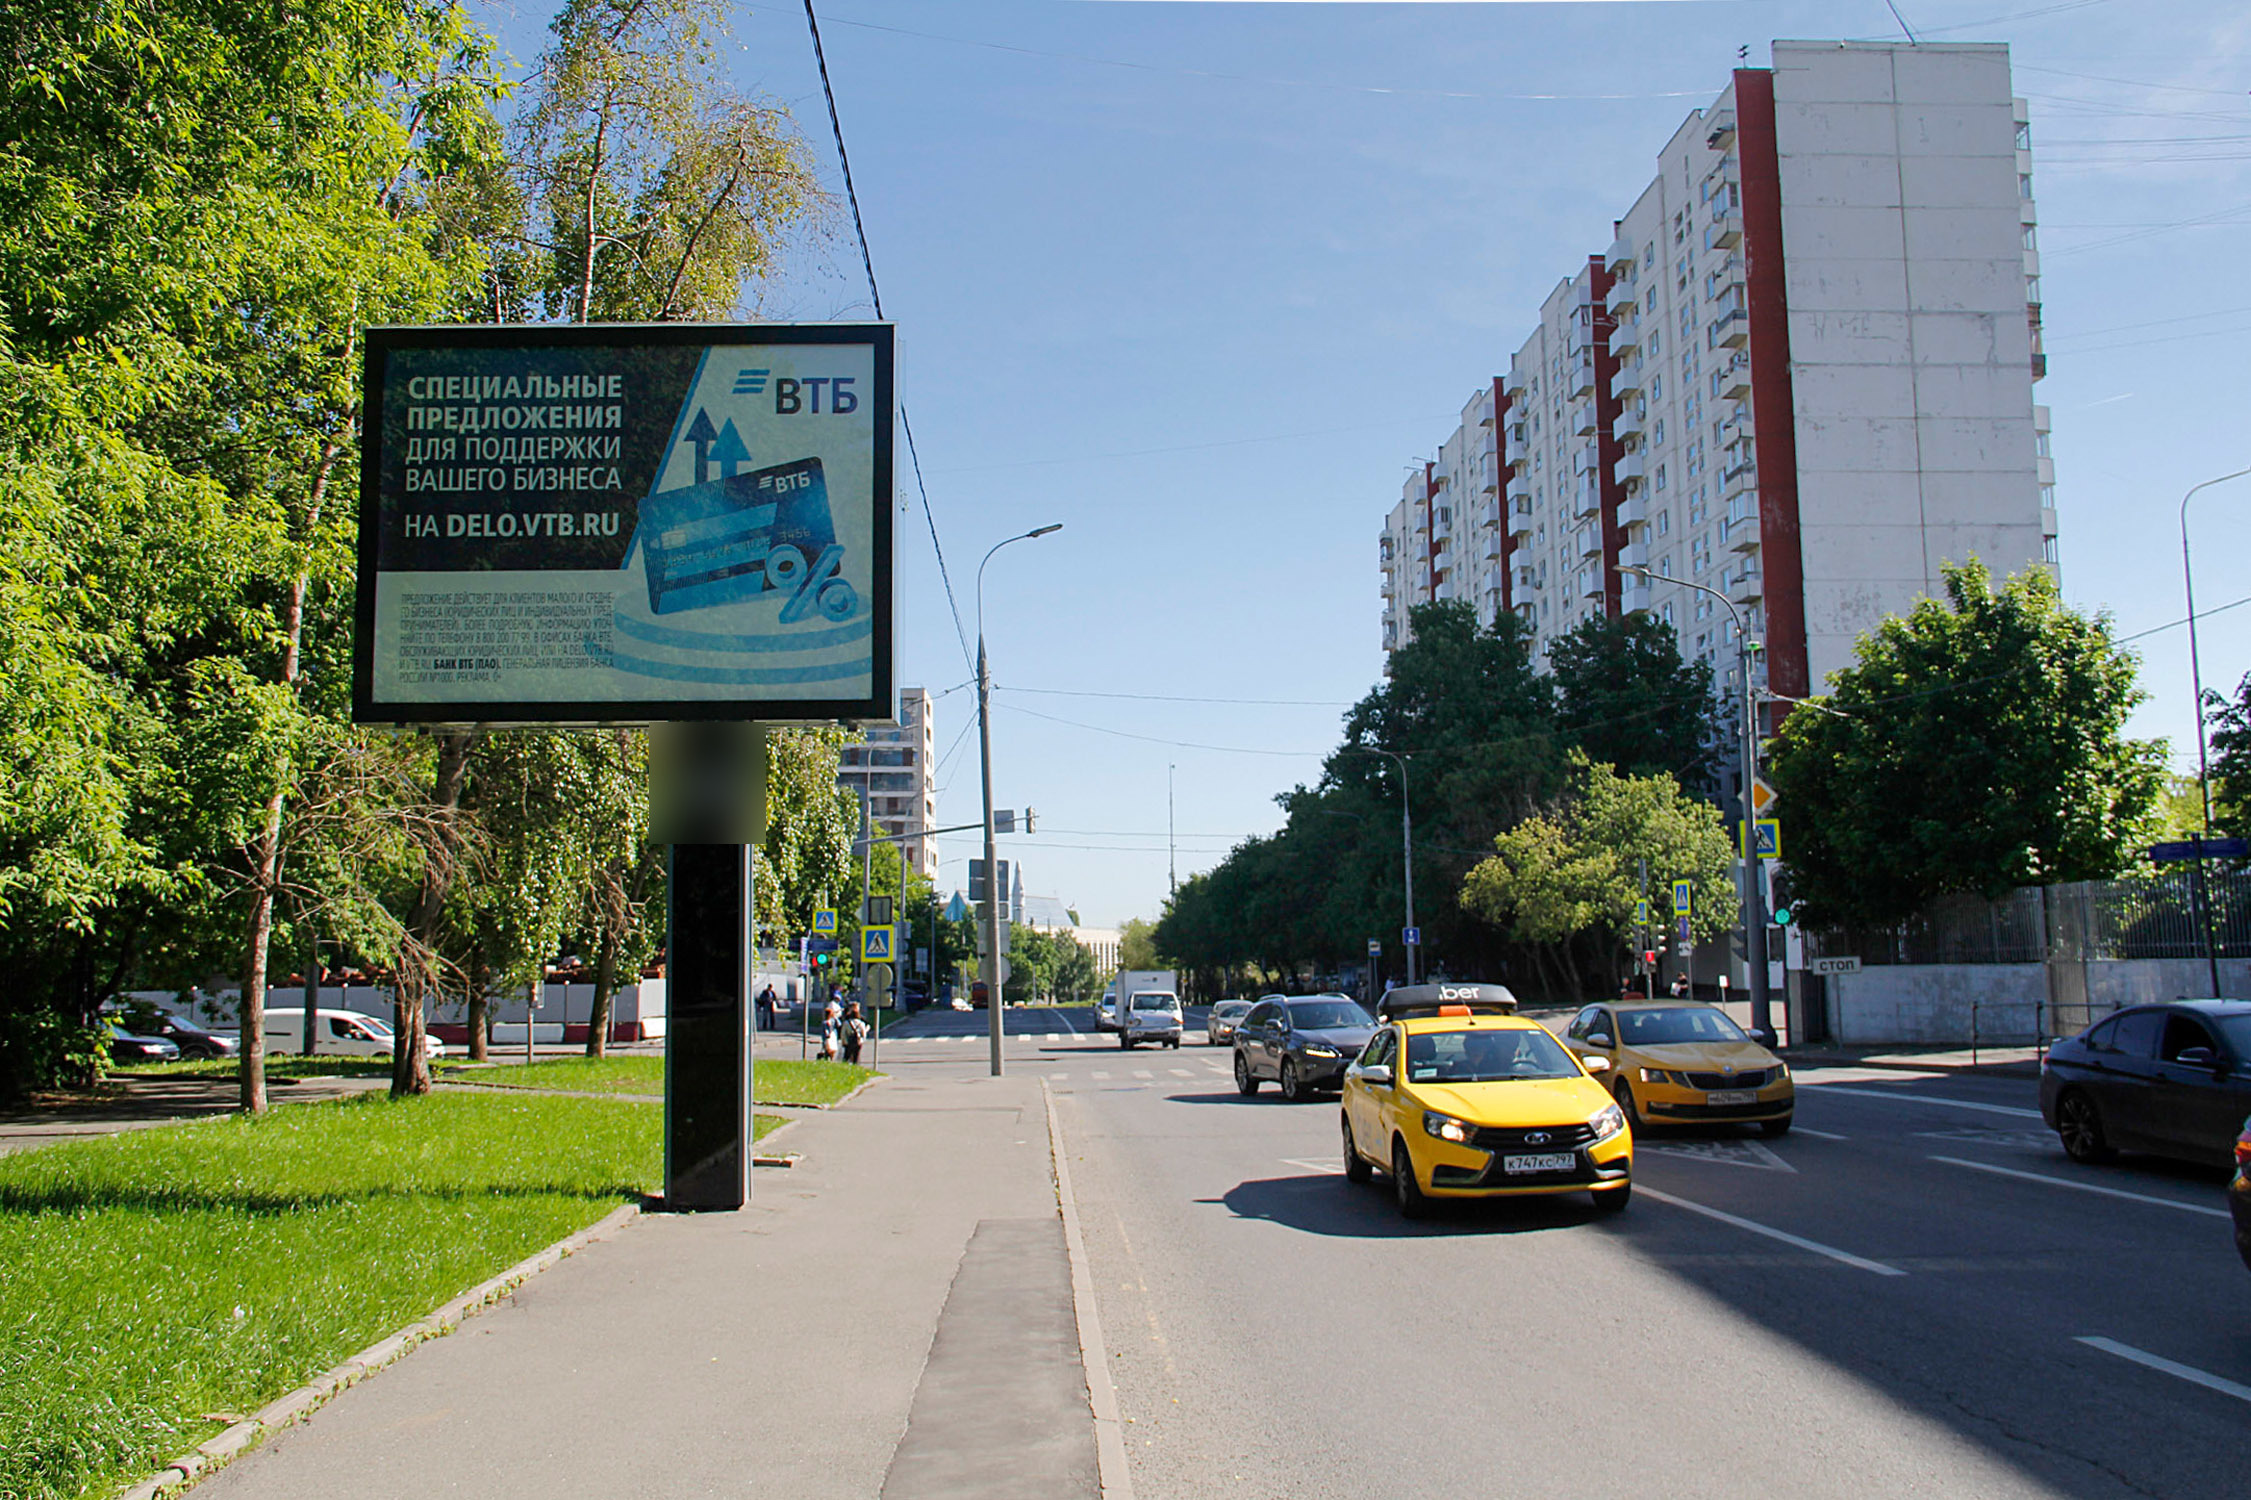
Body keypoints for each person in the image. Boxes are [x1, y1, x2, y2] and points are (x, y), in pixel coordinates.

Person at [841, 1001, 869, 1065]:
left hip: (849, 1040)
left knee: (846, 1056)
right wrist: (861, 1040)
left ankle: (845, 1066)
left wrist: (844, 1041)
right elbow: (864, 1034)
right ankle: (855, 1066)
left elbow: (843, 1033)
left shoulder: (846, 1022)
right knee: (856, 1056)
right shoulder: (861, 1023)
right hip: (858, 1041)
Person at [820, 993, 843, 1061]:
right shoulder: (832, 1004)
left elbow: (839, 1024)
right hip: (829, 1036)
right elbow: (826, 1030)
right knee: (829, 1048)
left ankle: (830, 1058)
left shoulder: (832, 1020)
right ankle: (828, 1058)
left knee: (831, 1048)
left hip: (832, 1035)